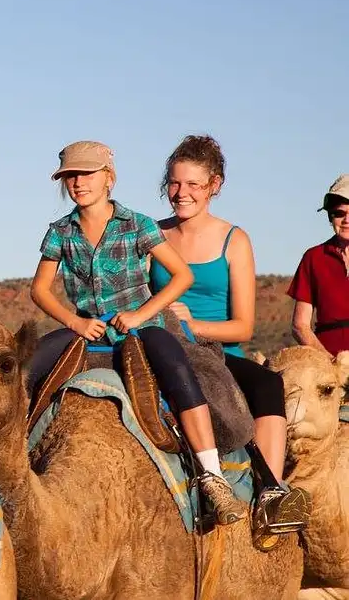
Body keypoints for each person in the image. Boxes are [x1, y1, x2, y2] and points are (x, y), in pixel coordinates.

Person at [28, 140, 245, 524]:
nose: (78, 183)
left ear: (108, 178)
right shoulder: (60, 232)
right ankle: (4, 461)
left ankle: (212, 477)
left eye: (87, 174)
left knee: (177, 369)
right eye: (71, 176)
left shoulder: (137, 225)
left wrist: (140, 313)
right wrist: (75, 322)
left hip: (142, 327)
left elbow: (182, 276)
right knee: (26, 369)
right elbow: (39, 289)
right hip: (88, 328)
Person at [149, 134, 310, 544]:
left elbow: (243, 327)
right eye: (174, 183)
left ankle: (271, 493)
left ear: (214, 186)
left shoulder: (233, 240)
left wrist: (192, 324)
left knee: (267, 384)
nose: (180, 193)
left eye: (193, 185)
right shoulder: (150, 235)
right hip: (163, 347)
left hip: (218, 352)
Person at [287, 174, 349, 356]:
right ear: (330, 217)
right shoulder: (314, 258)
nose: (346, 220)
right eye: (339, 213)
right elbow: (300, 325)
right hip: (326, 363)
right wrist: (330, 365)